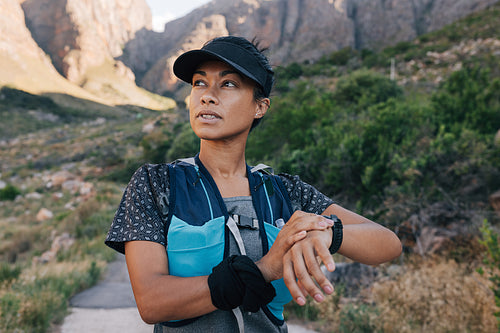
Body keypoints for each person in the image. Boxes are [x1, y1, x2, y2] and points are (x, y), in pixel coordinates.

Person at [105, 36, 402, 333]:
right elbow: (152, 303)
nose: (207, 96)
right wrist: (262, 270)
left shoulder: (284, 191)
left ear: (260, 107)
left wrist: (329, 235)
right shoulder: (157, 184)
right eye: (199, 83)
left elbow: (387, 243)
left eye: (228, 84)